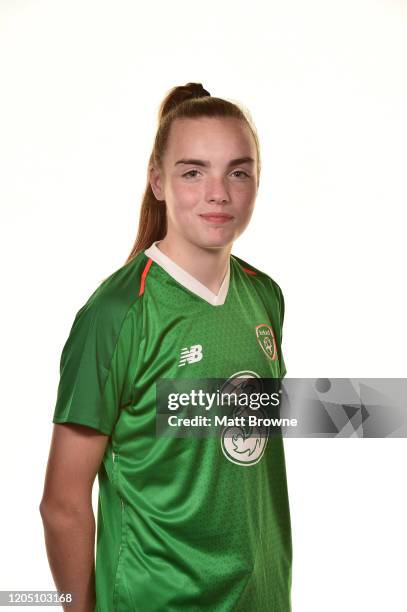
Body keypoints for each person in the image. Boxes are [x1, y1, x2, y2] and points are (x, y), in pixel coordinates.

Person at [39, 82, 292, 612]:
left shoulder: (264, 295)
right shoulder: (116, 315)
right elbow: (62, 504)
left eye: (238, 172)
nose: (218, 193)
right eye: (193, 172)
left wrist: (375, 408)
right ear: (158, 181)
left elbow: (238, 427)